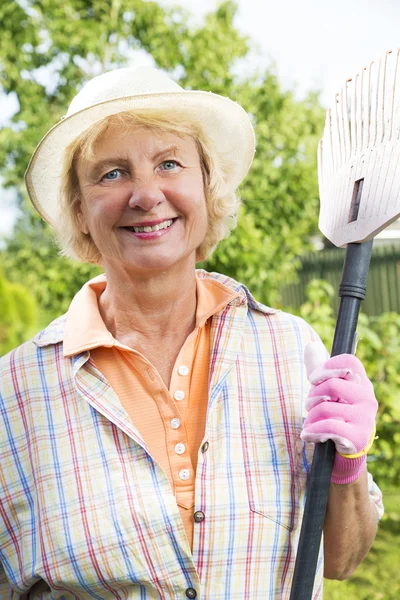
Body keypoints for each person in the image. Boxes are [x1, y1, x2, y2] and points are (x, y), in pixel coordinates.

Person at [0, 66, 383, 600]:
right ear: (80, 211)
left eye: (169, 164)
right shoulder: (13, 394)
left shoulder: (289, 349)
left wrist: (348, 467)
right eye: (112, 174)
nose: (146, 194)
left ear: (207, 188)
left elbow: (342, 557)